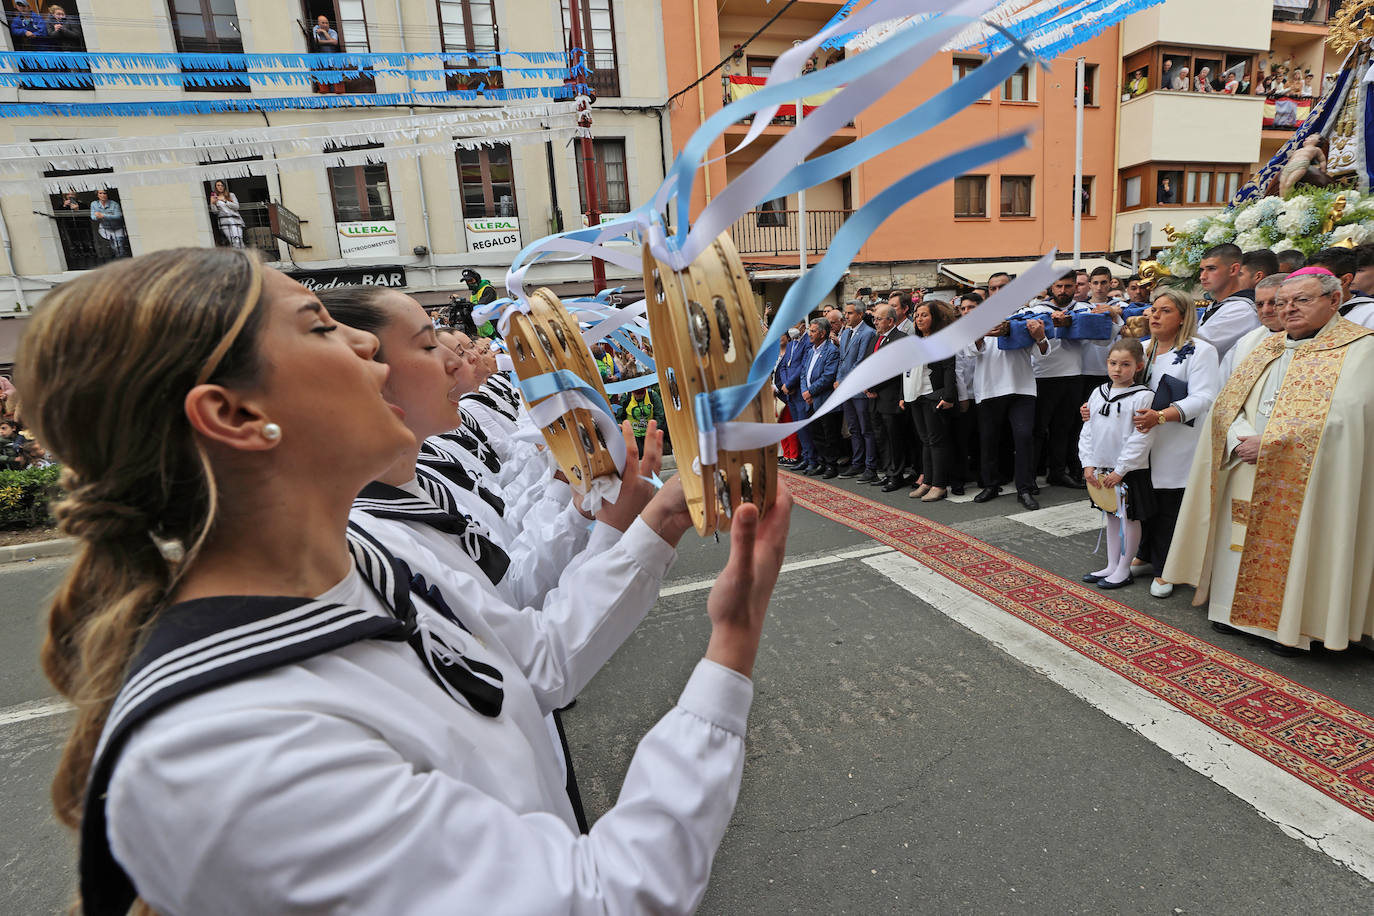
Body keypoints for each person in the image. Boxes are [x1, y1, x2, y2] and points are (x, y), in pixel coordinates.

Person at [17, 247, 794, 914]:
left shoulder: (379, 565)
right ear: (234, 415)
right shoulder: (222, 747)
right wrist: (731, 649)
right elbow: (600, 898)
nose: (367, 347)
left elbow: (536, 667)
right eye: (320, 327)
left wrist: (655, 521)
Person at [1164, 266, 1374, 655]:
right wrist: (1240, 437)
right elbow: (1229, 403)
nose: (1288, 309)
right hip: (1244, 459)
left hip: (1310, 477)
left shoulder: (1362, 349)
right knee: (1236, 540)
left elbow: (1352, 418)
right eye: (1282, 302)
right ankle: (1228, 611)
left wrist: (1275, 443)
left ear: (1334, 300)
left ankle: (1291, 628)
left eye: (1302, 300)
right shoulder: (1264, 345)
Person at [1131, 288, 1220, 598]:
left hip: (1176, 440)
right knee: (1142, 500)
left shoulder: (1200, 351)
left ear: (1183, 316)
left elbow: (1205, 396)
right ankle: (1143, 554)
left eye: (1165, 310)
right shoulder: (1141, 349)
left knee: (1169, 504)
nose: (1155, 315)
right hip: (1143, 441)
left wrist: (1163, 415)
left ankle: (1166, 567)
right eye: (1153, 309)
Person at [1080, 338, 1156, 590]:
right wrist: (1088, 463)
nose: (1117, 369)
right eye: (1113, 363)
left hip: (1127, 471)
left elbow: (1141, 437)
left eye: (1125, 364)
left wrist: (1121, 470)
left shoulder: (1143, 396)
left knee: (1129, 519)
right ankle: (1112, 564)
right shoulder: (1097, 392)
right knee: (1111, 516)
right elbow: (1088, 429)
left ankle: (1125, 568)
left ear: (1138, 366)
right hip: (1101, 468)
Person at [973, 307, 1048, 511]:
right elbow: (969, 351)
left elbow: (1042, 355)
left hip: (1021, 388)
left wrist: (1040, 336)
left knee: (1024, 437)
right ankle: (991, 485)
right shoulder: (979, 319)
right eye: (995, 288)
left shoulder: (1025, 318)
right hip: (988, 389)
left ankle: (1024, 488)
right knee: (989, 440)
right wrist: (984, 332)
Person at [1029, 272, 1090, 489]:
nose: (1063, 291)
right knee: (1037, 430)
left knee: (1063, 429)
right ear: (1051, 287)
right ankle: (1030, 477)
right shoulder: (1036, 311)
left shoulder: (1084, 310)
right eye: (1058, 286)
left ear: (1076, 287)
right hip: (1043, 376)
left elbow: (1100, 338)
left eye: (1068, 286)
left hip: (1073, 375)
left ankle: (1057, 472)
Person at [901, 300, 958, 503]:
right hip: (915, 395)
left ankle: (939, 485)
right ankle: (927, 481)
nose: (919, 319)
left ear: (934, 317)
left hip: (934, 395)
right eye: (917, 315)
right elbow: (905, 371)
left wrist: (949, 397)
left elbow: (950, 369)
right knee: (925, 441)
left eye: (924, 315)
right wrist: (903, 395)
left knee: (936, 441)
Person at [865, 305, 909, 492]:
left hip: (889, 396)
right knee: (881, 437)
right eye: (874, 319)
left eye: (878, 319)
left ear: (890, 321)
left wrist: (873, 386)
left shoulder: (901, 339)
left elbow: (893, 370)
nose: (875, 322)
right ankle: (888, 472)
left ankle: (896, 475)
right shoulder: (876, 338)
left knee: (893, 438)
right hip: (873, 397)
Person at [836, 300, 878, 481]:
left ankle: (870, 466)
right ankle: (857, 462)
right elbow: (842, 360)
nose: (846, 316)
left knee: (865, 428)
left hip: (859, 389)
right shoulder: (845, 333)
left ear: (860, 315)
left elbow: (860, 361)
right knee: (853, 428)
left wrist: (845, 382)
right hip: (846, 389)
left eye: (850, 313)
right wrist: (838, 380)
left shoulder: (868, 333)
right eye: (846, 313)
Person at [1195, 243, 1259, 357]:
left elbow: (1197, 346)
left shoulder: (1242, 309)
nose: (1202, 276)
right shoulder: (1219, 304)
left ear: (1233, 269)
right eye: (1202, 270)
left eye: (1211, 269)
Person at [1221, 273, 1288, 378]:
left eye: (1273, 302)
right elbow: (1223, 385)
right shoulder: (1245, 343)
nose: (1265, 310)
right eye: (1260, 304)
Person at [797, 317, 839, 478]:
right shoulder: (810, 350)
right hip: (809, 399)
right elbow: (803, 373)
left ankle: (831, 465)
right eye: (810, 330)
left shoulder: (831, 351)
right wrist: (805, 392)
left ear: (822, 333)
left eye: (813, 331)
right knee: (817, 434)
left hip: (824, 399)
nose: (809, 334)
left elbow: (828, 377)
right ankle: (822, 462)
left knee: (829, 434)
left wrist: (811, 392)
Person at [1309, 245, 1374, 329]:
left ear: (1344, 281)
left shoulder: (1370, 313)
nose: (1307, 284)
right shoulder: (1303, 311)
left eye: (1319, 278)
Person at [774, 323, 807, 468]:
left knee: (790, 424)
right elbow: (781, 369)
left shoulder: (795, 346)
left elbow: (798, 368)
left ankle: (793, 454)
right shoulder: (776, 353)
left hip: (789, 390)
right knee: (780, 424)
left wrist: (786, 385)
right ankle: (785, 453)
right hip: (777, 392)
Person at [89, 188, 129, 259]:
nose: (103, 195)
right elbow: (93, 217)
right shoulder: (94, 204)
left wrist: (103, 215)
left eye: (104, 193)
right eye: (100, 193)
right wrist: (97, 216)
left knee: (119, 246)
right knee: (112, 246)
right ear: (97, 195)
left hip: (117, 228)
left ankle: (122, 260)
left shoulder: (114, 204)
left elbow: (118, 216)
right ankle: (119, 259)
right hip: (105, 228)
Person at [311, 14, 345, 93]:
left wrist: (324, 32)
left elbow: (335, 42)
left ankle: (334, 92)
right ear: (318, 24)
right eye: (323, 23)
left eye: (327, 23)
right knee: (323, 76)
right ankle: (324, 92)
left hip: (332, 59)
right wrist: (330, 42)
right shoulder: (316, 29)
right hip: (321, 59)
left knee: (334, 76)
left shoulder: (332, 32)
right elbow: (317, 41)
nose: (325, 25)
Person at [209, 180, 246, 249]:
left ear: (224, 186)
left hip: (235, 220)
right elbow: (215, 212)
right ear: (215, 187)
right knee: (233, 242)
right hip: (224, 222)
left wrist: (225, 201)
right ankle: (237, 258)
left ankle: (244, 256)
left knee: (239, 240)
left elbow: (236, 206)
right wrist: (213, 203)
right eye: (218, 185)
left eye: (222, 185)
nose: (220, 187)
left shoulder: (231, 195)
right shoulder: (214, 197)